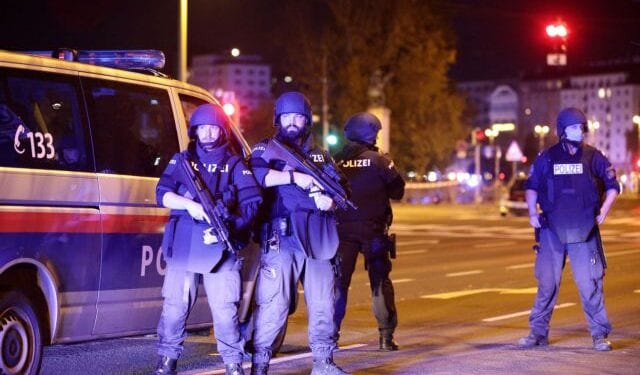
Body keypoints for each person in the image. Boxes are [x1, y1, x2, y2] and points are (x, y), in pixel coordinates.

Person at [154, 103, 262, 375]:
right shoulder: (182, 161)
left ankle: (233, 363)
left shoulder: (235, 163)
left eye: (214, 128)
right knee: (174, 306)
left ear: (222, 131)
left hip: (221, 243)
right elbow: (162, 193)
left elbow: (252, 202)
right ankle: (167, 359)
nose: (208, 133)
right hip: (185, 243)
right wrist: (190, 205)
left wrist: (230, 225)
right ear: (195, 130)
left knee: (225, 309)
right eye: (203, 128)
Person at [249, 91, 349, 375]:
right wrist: (297, 177)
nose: (293, 122)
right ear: (278, 119)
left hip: (318, 237)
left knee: (322, 304)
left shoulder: (321, 155)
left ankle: (323, 363)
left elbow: (342, 190)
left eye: (298, 117)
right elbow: (258, 175)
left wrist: (329, 200)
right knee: (273, 304)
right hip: (282, 239)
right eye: (287, 117)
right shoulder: (266, 148)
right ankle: (260, 365)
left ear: (307, 120)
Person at [518, 107, 619, 351]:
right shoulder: (547, 157)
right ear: (562, 130)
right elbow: (531, 186)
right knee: (547, 284)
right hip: (551, 229)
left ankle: (599, 334)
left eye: (582, 127)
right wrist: (532, 212)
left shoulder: (594, 156)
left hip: (584, 230)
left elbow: (612, 185)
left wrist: (604, 209)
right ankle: (538, 333)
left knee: (590, 285)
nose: (580, 131)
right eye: (574, 127)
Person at [332, 112, 405, 351]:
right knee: (379, 282)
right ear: (371, 133)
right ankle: (385, 337)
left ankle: (330, 337)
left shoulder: (336, 160)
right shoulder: (379, 160)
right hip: (373, 231)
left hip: (342, 232)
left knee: (338, 285)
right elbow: (398, 191)